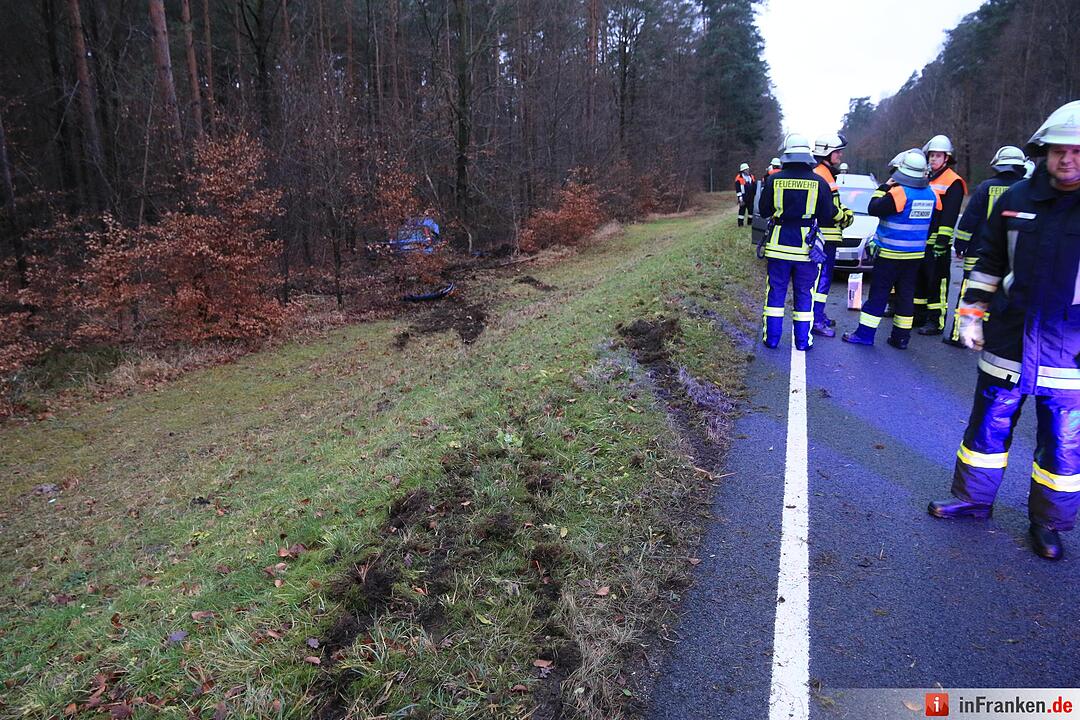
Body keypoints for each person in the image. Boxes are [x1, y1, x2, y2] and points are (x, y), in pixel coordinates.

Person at [928, 100, 1080, 561]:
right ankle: (973, 500)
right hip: (1010, 337)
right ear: (1044, 152)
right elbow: (989, 261)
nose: (1067, 159)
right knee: (987, 428)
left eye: (1077, 151)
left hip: (1070, 347)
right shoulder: (1016, 199)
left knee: (1063, 444)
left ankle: (1048, 524)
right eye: (1059, 150)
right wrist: (971, 313)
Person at [841, 151, 939, 348]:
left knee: (878, 294)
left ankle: (865, 334)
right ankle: (901, 338)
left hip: (890, 254)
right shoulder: (931, 193)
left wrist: (883, 187)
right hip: (915, 256)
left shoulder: (898, 192)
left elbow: (873, 208)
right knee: (906, 297)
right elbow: (933, 222)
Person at [757, 134, 837, 351]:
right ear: (807, 157)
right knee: (804, 295)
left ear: (787, 155)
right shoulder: (819, 182)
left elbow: (763, 211)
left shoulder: (773, 180)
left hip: (778, 247)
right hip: (806, 250)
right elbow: (827, 216)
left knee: (775, 294)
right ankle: (803, 342)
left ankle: (772, 340)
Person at [943, 146, 1027, 347]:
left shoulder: (986, 187)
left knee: (970, 291)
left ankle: (960, 336)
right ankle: (994, 336)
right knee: (1006, 295)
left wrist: (961, 244)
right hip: (1015, 255)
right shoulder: (1026, 190)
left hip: (980, 252)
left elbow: (970, 218)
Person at [913, 134, 967, 335]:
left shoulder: (953, 181)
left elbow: (950, 215)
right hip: (921, 240)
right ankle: (918, 315)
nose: (933, 159)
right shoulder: (927, 179)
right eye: (931, 155)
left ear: (946, 158)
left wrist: (942, 242)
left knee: (937, 282)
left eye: (938, 155)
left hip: (938, 243)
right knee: (920, 281)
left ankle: (935, 321)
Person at [810, 133, 855, 337]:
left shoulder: (824, 172)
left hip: (826, 237)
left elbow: (832, 203)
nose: (840, 155)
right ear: (827, 152)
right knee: (822, 279)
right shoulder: (822, 174)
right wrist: (845, 217)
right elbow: (828, 209)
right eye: (838, 152)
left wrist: (842, 212)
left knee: (821, 279)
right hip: (825, 238)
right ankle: (816, 320)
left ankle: (818, 315)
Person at [734, 162, 756, 227]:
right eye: (746, 169)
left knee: (751, 210)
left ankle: (750, 223)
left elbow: (754, 185)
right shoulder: (738, 178)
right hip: (743, 197)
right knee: (742, 211)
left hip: (751, 197)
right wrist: (740, 198)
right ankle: (740, 224)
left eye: (748, 169)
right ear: (743, 170)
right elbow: (738, 189)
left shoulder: (751, 176)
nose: (747, 170)